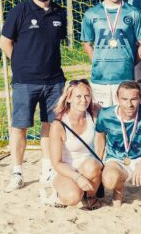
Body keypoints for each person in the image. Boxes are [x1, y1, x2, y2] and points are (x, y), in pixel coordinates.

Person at [0, 0, 67, 191]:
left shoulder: (60, 13)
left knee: (50, 125)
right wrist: (20, 65)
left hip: (54, 81)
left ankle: (47, 170)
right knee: (20, 127)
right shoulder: (19, 11)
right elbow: (5, 42)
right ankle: (17, 172)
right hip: (25, 81)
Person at [81, 0, 141, 109]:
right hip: (100, 78)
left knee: (125, 119)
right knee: (100, 120)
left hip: (125, 77)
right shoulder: (91, 13)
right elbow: (87, 43)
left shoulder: (133, 12)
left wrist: (131, 62)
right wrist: (97, 60)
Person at [49, 79, 102, 209]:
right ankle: (57, 193)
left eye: (87, 96)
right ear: (68, 99)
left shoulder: (94, 113)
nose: (84, 100)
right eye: (78, 96)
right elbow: (56, 163)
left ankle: (90, 196)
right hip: (66, 170)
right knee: (72, 197)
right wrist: (77, 177)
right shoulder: (58, 125)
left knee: (93, 165)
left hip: (89, 167)